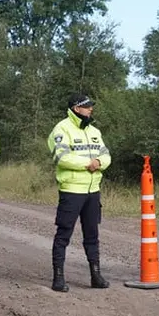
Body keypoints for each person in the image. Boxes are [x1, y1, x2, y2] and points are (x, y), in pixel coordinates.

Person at [46, 93, 112, 292]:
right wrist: (88, 164)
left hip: (93, 190)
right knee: (64, 234)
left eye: (91, 105)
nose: (90, 108)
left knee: (92, 234)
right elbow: (62, 157)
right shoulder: (61, 129)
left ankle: (95, 275)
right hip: (72, 190)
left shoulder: (94, 131)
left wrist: (99, 162)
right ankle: (58, 277)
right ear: (76, 108)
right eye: (86, 106)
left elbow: (106, 154)